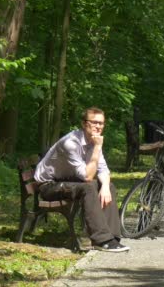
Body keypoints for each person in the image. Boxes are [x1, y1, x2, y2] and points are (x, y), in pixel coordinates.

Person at [34, 107, 129, 252]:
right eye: (94, 122)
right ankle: (101, 240)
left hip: (67, 180)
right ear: (84, 124)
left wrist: (104, 187)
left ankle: (112, 237)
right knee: (89, 187)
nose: (98, 126)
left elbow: (103, 169)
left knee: (108, 186)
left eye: (101, 123)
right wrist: (97, 147)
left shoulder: (94, 141)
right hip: (48, 185)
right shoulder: (71, 143)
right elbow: (87, 176)